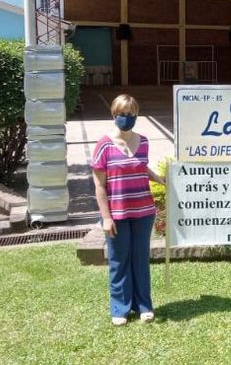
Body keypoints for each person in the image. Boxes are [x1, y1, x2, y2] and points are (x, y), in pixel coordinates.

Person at [91, 94, 165, 326]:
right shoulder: (103, 145)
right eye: (123, 114)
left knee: (140, 259)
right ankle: (120, 308)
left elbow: (142, 168)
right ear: (114, 115)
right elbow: (99, 185)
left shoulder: (143, 142)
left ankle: (144, 306)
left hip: (144, 210)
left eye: (132, 114)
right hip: (118, 213)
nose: (128, 118)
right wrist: (105, 217)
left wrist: (158, 178)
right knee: (119, 260)